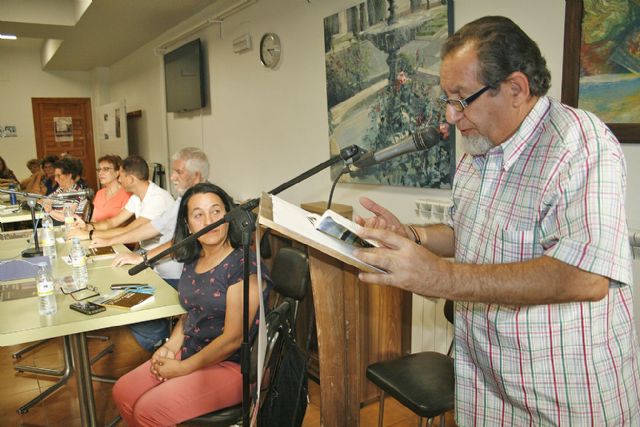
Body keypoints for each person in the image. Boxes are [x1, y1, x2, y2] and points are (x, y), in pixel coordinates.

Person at [354, 16, 640, 425]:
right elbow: (464, 232)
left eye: (461, 98)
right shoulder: (477, 154)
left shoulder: (580, 143)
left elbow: (585, 276)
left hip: (563, 399)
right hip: (485, 390)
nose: (451, 116)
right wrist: (413, 235)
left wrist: (441, 278)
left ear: (517, 88)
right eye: (446, 100)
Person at [112, 182, 272, 426]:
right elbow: (192, 313)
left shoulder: (242, 265)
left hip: (236, 365)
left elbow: (232, 339)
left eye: (216, 211)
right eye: (198, 215)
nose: (209, 221)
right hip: (194, 351)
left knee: (149, 411)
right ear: (188, 225)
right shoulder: (195, 258)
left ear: (229, 215)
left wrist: (182, 368)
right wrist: (171, 346)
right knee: (123, 390)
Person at [68, 155, 176, 351]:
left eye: (122, 176)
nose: (118, 179)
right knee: (110, 284)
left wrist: (91, 234)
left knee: (120, 296)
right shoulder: (137, 196)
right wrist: (88, 227)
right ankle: (157, 336)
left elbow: (131, 231)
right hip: (145, 257)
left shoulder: (158, 199)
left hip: (165, 265)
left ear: (131, 179)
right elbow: (112, 223)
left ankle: (161, 340)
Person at [91, 147, 209, 289]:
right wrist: (108, 241)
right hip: (160, 271)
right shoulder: (183, 199)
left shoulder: (203, 203)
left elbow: (181, 243)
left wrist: (142, 258)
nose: (172, 177)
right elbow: (152, 227)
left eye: (178, 172)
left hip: (178, 280)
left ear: (196, 176)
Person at [39, 157, 88, 223]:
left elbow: (66, 217)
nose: (56, 179)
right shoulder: (61, 190)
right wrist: (46, 202)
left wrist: (50, 211)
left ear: (69, 175)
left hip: (71, 228)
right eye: (55, 176)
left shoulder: (75, 193)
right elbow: (45, 200)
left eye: (58, 175)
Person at [90, 155, 130, 222]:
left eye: (106, 169)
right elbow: (93, 220)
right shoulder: (99, 193)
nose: (100, 173)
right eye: (99, 170)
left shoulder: (127, 194)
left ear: (117, 173)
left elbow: (123, 223)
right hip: (97, 231)